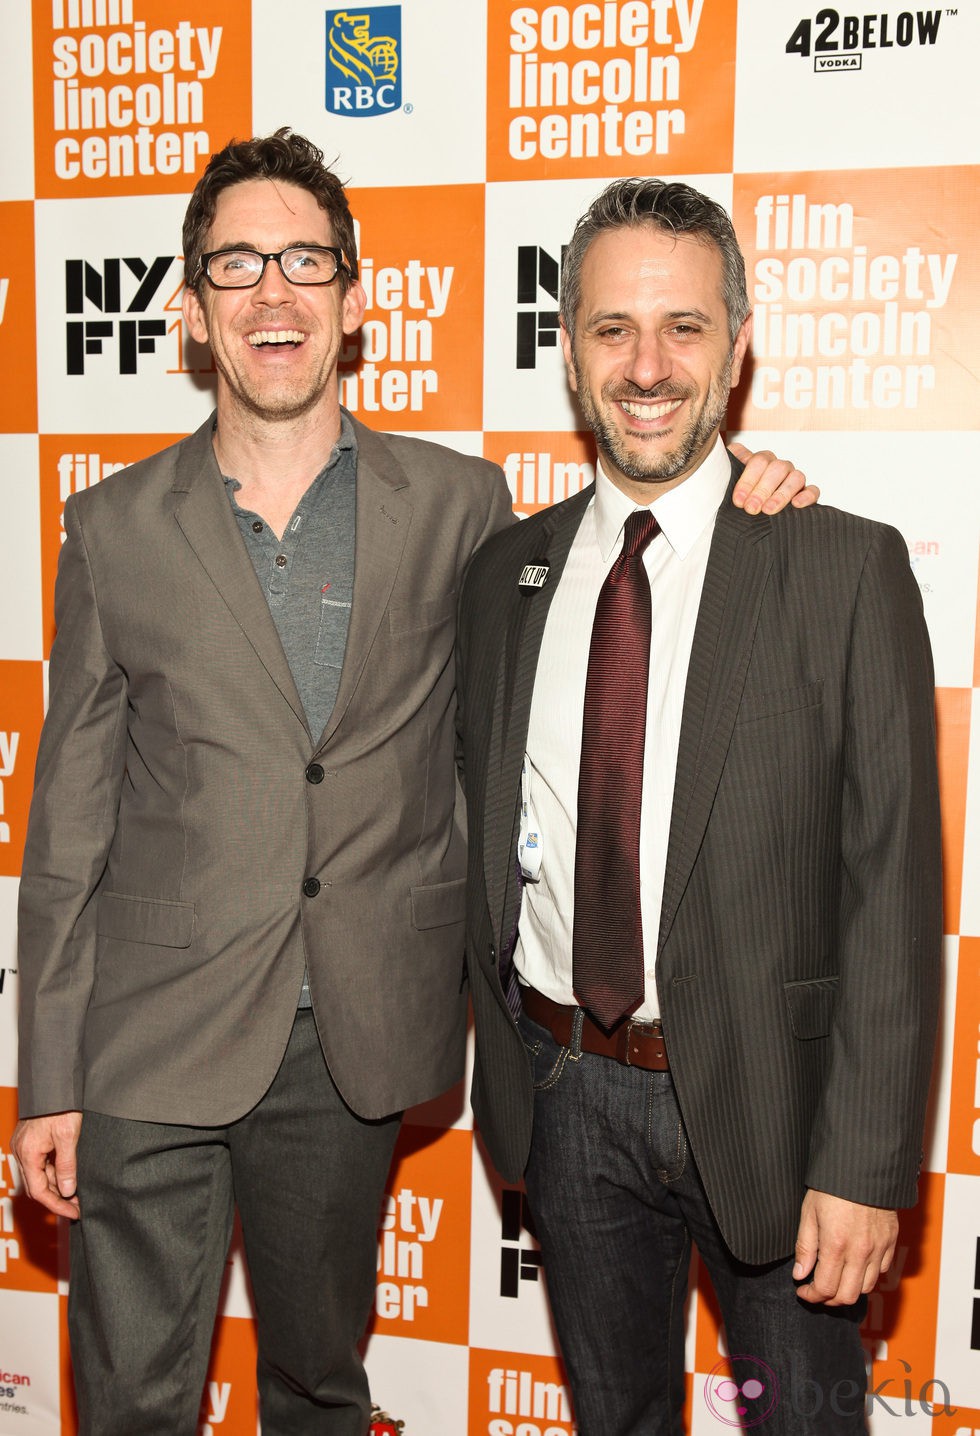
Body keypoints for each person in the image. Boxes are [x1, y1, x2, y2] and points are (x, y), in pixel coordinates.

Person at [12, 130, 814, 1436]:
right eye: (236, 265)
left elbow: (595, 614)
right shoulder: (111, 528)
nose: (274, 292)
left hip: (352, 1042)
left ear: (356, 296)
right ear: (194, 311)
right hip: (143, 1038)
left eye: (305, 262)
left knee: (321, 1387)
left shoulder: (459, 505)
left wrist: (743, 498)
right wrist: (48, 1070)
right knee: (130, 1404)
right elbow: (70, 824)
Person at [457, 178, 942, 1436]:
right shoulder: (504, 575)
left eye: (683, 326)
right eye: (612, 328)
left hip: (776, 1125)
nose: (647, 364)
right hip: (565, 1098)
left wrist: (863, 1164)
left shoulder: (838, 565)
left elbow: (891, 891)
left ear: (736, 347)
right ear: (567, 352)